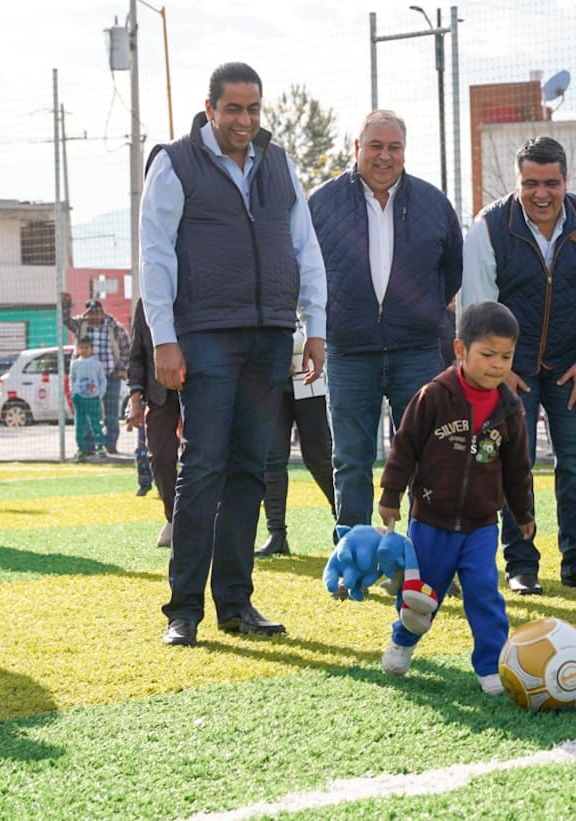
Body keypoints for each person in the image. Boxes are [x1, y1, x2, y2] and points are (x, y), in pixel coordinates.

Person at [140, 62, 327, 646]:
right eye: (233, 110)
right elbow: (155, 256)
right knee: (202, 468)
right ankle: (184, 610)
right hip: (204, 336)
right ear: (210, 108)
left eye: (253, 109)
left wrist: (313, 327)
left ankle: (236, 604)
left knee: (253, 468)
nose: (244, 120)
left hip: (271, 333)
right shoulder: (173, 162)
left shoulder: (278, 162)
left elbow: (305, 244)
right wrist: (164, 340)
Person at [459, 136, 576, 594]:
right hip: (512, 371)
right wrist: (499, 371)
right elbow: (476, 307)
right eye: (531, 183)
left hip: (572, 364)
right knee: (514, 466)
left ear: (566, 180)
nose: (541, 193)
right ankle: (521, 566)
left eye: (551, 182)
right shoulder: (488, 226)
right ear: (518, 182)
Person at [308, 109, 462, 535]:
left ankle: (425, 547)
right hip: (348, 351)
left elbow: (452, 271)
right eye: (375, 146)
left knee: (424, 454)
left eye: (394, 147)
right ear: (357, 148)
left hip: (416, 351)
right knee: (351, 458)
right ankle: (353, 550)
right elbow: (304, 269)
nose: (384, 156)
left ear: (404, 153)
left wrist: (423, 313)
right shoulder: (321, 203)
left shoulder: (433, 204)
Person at [376, 301, 534, 689]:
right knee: (421, 599)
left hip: (481, 524)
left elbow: (517, 468)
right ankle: (404, 639)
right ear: (460, 350)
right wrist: (391, 494)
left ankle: (490, 667)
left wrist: (523, 513)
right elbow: (404, 446)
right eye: (488, 355)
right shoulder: (434, 395)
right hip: (431, 520)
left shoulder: (510, 408)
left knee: (484, 594)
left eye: (506, 357)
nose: (498, 365)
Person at [255, 325, 334, 557]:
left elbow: (315, 313)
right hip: (272, 373)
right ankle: (276, 533)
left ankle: (345, 521)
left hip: (309, 370)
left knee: (318, 456)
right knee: (272, 456)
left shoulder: (313, 287)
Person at [127, 296, 180, 548]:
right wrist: (135, 398)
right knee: (160, 455)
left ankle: (208, 520)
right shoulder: (146, 300)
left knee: (204, 456)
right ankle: (173, 517)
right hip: (160, 391)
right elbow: (136, 353)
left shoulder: (201, 284)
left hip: (201, 385)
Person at [63, 296, 131, 455]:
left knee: (111, 413)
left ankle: (110, 444)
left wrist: (121, 367)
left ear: (102, 312)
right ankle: (87, 446)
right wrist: (65, 305)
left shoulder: (114, 327)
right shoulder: (81, 325)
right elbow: (66, 321)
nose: (94, 316)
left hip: (110, 375)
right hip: (87, 379)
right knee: (87, 414)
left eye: (97, 312)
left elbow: (127, 347)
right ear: (86, 314)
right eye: (90, 313)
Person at [70, 337, 107, 461]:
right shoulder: (75, 364)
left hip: (93, 398)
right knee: (79, 425)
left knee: (96, 424)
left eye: (87, 348)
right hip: (79, 398)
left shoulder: (97, 364)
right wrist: (74, 393)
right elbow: (72, 379)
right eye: (82, 348)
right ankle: (81, 448)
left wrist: (99, 394)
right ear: (78, 349)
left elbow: (102, 380)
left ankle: (100, 447)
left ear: (92, 349)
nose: (84, 350)